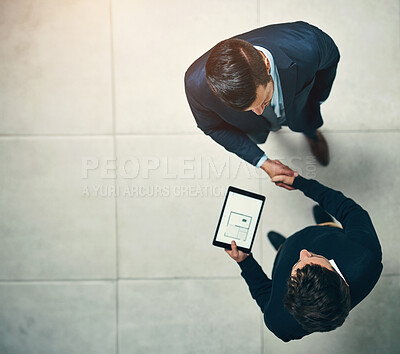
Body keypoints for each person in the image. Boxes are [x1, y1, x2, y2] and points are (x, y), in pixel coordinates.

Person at [225, 165, 383, 342]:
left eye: (295, 269)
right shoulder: (365, 255)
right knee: (323, 229)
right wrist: (301, 183)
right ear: (342, 280)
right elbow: (350, 211)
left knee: (286, 250)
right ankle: (324, 223)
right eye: (314, 257)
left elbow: (265, 294)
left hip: (291, 252)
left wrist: (245, 261)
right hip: (327, 236)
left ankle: (282, 248)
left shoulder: (280, 324)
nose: (303, 252)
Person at [184, 21, 340, 182]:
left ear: (266, 65)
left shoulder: (308, 44)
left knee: (306, 121)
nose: (259, 112)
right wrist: (263, 162)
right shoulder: (196, 85)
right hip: (253, 125)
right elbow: (212, 127)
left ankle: (312, 135)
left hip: (298, 105)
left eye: (263, 100)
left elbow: (331, 59)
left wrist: (317, 99)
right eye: (248, 109)